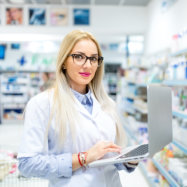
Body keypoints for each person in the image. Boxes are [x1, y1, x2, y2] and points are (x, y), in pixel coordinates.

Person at [18, 30, 138, 187]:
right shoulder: (42, 103)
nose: (88, 65)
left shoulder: (108, 104)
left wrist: (128, 161)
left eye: (93, 59)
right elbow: (27, 164)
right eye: (79, 57)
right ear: (64, 61)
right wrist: (84, 157)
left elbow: (107, 156)